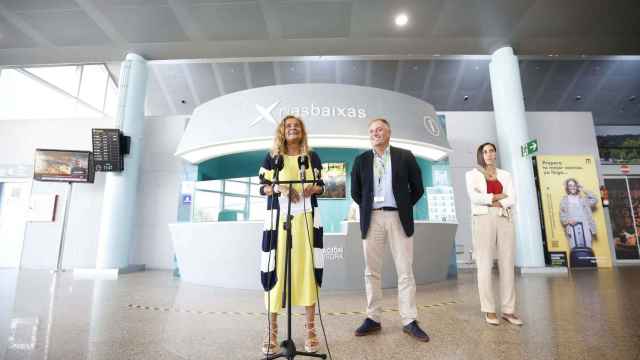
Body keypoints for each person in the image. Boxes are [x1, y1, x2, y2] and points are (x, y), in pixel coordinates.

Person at [350, 118, 429, 342]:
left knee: (405, 271)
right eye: (372, 131)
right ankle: (373, 318)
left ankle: (409, 320)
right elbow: (356, 192)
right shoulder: (361, 160)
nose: (376, 133)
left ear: (389, 132)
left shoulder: (405, 156)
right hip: (372, 218)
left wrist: (402, 205)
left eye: (380, 129)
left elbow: (418, 188)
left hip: (398, 216)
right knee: (371, 271)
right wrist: (369, 208)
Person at [257, 115, 325, 355]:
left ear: (302, 131)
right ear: (282, 131)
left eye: (297, 126)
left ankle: (310, 330)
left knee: (307, 270)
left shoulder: (312, 156)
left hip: (306, 220)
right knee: (276, 270)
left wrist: (313, 187)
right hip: (279, 222)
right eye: (288, 126)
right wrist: (279, 187)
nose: (293, 128)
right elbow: (261, 186)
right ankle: (272, 329)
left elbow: (322, 185)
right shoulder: (272, 157)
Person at [465, 142, 522, 326]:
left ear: (495, 154)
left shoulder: (506, 174)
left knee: (507, 264)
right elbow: (475, 198)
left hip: (504, 216)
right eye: (485, 151)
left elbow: (512, 197)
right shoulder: (472, 175)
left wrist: (491, 200)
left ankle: (508, 310)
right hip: (483, 219)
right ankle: (489, 310)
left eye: (491, 151)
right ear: (480, 155)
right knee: (485, 264)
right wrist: (497, 197)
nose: (489, 154)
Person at [559, 178, 597, 249]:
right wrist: (568, 221)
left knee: (587, 249)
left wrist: (583, 189)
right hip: (572, 228)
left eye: (574, 185)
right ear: (567, 187)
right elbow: (562, 215)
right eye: (570, 185)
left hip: (585, 226)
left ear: (577, 186)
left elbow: (595, 199)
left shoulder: (583, 199)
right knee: (575, 250)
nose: (572, 187)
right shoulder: (564, 201)